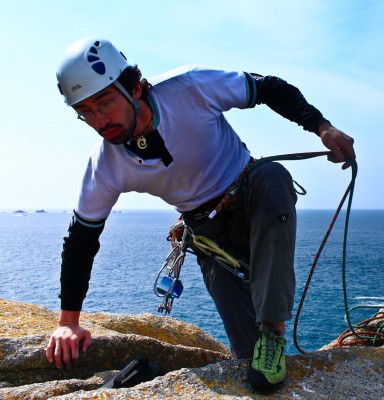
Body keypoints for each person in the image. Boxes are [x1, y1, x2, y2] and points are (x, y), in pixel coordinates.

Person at [45, 37, 356, 392]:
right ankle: (259, 350)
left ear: (133, 87)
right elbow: (82, 237)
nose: (100, 121)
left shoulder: (189, 87)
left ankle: (272, 330)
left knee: (272, 176)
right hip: (209, 238)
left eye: (105, 103)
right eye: (85, 112)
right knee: (257, 376)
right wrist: (69, 322)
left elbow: (268, 88)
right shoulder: (106, 164)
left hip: (251, 195)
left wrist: (322, 127)